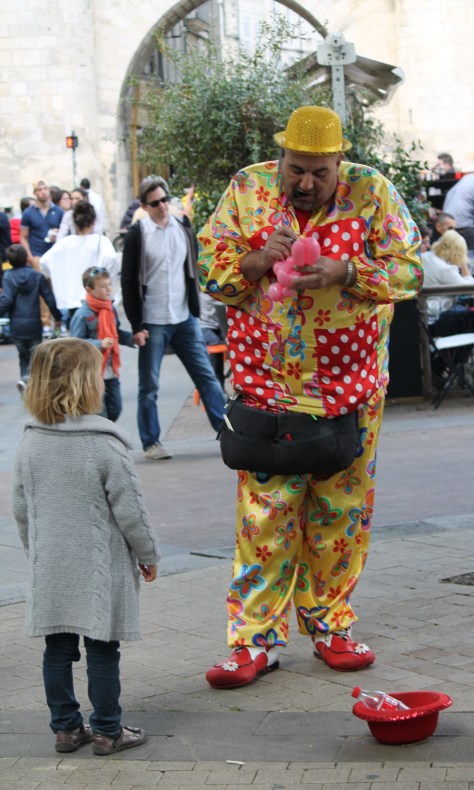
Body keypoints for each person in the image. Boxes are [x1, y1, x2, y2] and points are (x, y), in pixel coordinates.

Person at [198, 105, 422, 688]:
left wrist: (346, 272)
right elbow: (211, 272)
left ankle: (330, 625)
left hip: (353, 390)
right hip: (267, 388)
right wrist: (257, 260)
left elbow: (409, 272)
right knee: (264, 518)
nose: (305, 183)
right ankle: (254, 641)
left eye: (319, 173)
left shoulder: (373, 192)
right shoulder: (247, 188)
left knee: (341, 514)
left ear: (339, 163)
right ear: (281, 158)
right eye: (295, 169)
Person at [11, 338, 160, 755]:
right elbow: (130, 511)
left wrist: (36, 553)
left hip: (51, 565)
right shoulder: (104, 443)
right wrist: (147, 554)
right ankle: (108, 731)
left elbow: (21, 509)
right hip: (100, 566)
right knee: (102, 648)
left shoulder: (30, 443)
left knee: (56, 649)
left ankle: (65, 728)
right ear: (87, 384)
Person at [121, 175, 226, 460]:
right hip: (153, 319)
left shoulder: (183, 226)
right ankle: (151, 443)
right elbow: (128, 282)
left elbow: (192, 268)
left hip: (183, 317)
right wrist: (137, 325)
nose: (162, 206)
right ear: (144, 206)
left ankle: (226, 432)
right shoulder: (138, 234)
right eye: (155, 203)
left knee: (207, 377)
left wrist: (195, 307)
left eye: (164, 200)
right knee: (149, 385)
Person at [70, 266, 148, 421]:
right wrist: (100, 343)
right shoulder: (82, 314)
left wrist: (132, 338)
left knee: (115, 409)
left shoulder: (110, 308)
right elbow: (76, 344)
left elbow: (115, 333)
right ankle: (102, 434)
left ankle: (104, 432)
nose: (108, 289)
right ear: (89, 290)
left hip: (110, 368)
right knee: (100, 413)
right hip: (92, 373)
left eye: (109, 284)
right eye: (102, 286)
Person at [40, 201, 119, 328]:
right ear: (94, 221)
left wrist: (60, 278)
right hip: (96, 298)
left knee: (77, 337)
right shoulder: (101, 242)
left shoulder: (65, 243)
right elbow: (112, 260)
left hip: (72, 300)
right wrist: (106, 282)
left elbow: (44, 262)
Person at [0, 244, 61, 392]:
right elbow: (49, 298)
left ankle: (25, 381)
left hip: (17, 325)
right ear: (26, 258)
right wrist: (57, 316)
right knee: (35, 356)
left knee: (23, 356)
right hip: (34, 323)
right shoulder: (36, 276)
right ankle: (35, 385)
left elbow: (7, 300)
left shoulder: (8, 276)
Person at [20, 180, 64, 336]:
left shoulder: (58, 211)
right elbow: (23, 236)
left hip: (55, 255)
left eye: (45, 188)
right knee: (42, 291)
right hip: (38, 255)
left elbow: (65, 233)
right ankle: (45, 323)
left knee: (57, 289)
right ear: (35, 193)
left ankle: (59, 322)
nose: (43, 192)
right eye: (39, 189)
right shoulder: (29, 213)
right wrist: (29, 255)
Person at [422, 228, 474, 331]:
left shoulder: (425, 256)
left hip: (422, 314)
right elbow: (470, 289)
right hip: (435, 318)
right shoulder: (445, 269)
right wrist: (464, 265)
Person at [443, 173, 474, 252]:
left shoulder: (468, 178)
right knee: (469, 255)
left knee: (454, 255)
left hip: (447, 223)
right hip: (464, 225)